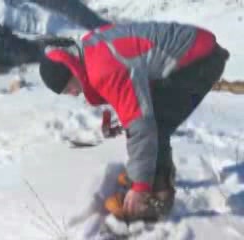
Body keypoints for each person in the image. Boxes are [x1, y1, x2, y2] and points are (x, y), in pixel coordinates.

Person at [38, 21, 230, 221]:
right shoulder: (89, 48)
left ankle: (157, 197)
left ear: (72, 71)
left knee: (155, 123)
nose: (72, 93)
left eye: (68, 88)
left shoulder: (102, 69)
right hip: (195, 49)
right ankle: (152, 176)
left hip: (200, 61)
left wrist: (139, 186)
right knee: (151, 118)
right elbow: (129, 82)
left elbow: (142, 126)